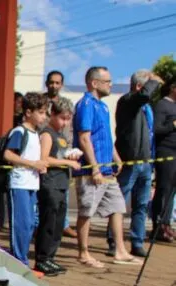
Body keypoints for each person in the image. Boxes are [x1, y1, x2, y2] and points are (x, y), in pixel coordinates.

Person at [73, 66, 139, 268]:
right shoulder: (86, 105)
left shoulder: (103, 106)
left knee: (118, 207)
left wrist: (116, 157)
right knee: (87, 211)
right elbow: (85, 138)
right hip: (91, 170)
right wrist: (94, 168)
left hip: (107, 170)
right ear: (94, 83)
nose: (111, 84)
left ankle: (120, 250)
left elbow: (105, 137)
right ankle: (83, 253)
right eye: (107, 81)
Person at [108, 70, 162, 258]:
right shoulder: (128, 101)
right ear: (139, 86)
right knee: (118, 203)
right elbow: (144, 95)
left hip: (146, 163)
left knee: (141, 205)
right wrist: (154, 81)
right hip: (129, 161)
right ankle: (114, 241)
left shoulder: (147, 108)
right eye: (149, 85)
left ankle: (137, 242)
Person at [35, 97, 83, 276]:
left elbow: (58, 156)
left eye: (68, 118)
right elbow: (44, 157)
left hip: (61, 183)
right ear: (52, 115)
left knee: (58, 224)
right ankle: (42, 258)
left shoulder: (61, 136)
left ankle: (51, 257)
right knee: (48, 222)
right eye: (62, 118)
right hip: (51, 183)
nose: (65, 122)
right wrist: (67, 163)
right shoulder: (47, 134)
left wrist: (69, 158)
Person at [2, 92, 48, 268]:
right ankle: (19, 261)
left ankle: (22, 260)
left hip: (32, 185)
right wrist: (32, 164)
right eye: (41, 112)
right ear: (28, 112)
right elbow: (8, 154)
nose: (44, 117)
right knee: (21, 224)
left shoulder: (36, 134)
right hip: (20, 184)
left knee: (30, 223)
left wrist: (40, 165)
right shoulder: (19, 131)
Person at [45, 70, 78, 239]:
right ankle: (41, 227)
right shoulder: (42, 103)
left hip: (64, 152)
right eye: (51, 82)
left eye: (57, 83)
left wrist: (71, 151)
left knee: (62, 193)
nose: (54, 85)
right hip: (47, 153)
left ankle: (63, 225)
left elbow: (70, 131)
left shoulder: (66, 104)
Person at [152, 80, 176, 241]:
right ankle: (159, 226)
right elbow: (157, 129)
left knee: (172, 191)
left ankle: (167, 223)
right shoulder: (162, 105)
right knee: (164, 189)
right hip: (166, 151)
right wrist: (173, 124)